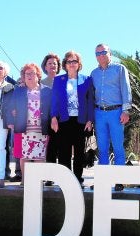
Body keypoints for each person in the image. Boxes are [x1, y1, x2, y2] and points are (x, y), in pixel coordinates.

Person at [90, 44, 132, 191]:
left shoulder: (119, 69)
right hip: (99, 113)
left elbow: (126, 89)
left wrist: (126, 111)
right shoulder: (93, 73)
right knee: (102, 149)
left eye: (104, 52)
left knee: (118, 147)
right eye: (98, 53)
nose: (101, 55)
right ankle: (102, 181)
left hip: (116, 112)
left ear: (110, 53)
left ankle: (119, 181)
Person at [50, 51, 94, 185]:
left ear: (79, 64)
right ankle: (66, 178)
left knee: (80, 151)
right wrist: (53, 117)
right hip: (64, 120)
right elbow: (54, 100)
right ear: (65, 64)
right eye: (69, 61)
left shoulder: (86, 80)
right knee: (64, 151)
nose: (72, 64)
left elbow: (91, 100)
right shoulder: (59, 80)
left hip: (80, 121)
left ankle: (78, 178)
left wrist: (90, 120)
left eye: (74, 61)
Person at [4, 63, 52, 185]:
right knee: (24, 156)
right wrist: (10, 121)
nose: (30, 76)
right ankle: (25, 180)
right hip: (22, 127)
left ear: (38, 76)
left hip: (41, 129)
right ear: (24, 77)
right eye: (27, 74)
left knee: (39, 156)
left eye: (32, 73)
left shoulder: (46, 90)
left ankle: (37, 181)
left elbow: (51, 108)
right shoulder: (18, 91)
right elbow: (10, 107)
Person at [40, 53, 61, 186]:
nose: (52, 65)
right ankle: (50, 176)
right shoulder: (41, 83)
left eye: (55, 63)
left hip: (63, 119)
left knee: (62, 148)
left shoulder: (64, 80)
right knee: (50, 148)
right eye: (50, 63)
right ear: (45, 67)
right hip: (46, 120)